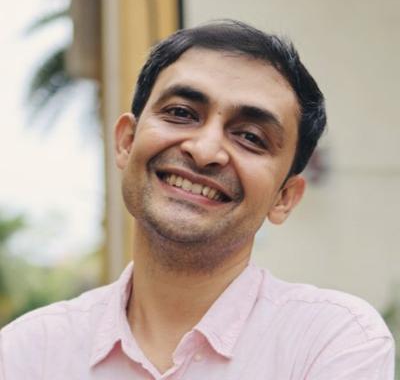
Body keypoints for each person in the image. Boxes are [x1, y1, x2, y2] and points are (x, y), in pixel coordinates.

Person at [0, 20, 394, 379]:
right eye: (181, 113)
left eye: (250, 137)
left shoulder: (332, 340)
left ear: (285, 198)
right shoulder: (28, 352)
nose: (205, 151)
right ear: (126, 142)